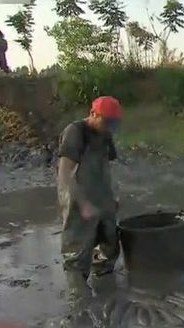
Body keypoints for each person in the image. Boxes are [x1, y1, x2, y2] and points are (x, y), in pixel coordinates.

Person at [57, 96, 122, 296]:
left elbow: (107, 164)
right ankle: (78, 296)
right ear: (93, 114)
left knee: (110, 241)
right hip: (77, 195)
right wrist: (83, 204)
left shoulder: (105, 133)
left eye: (114, 123)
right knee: (77, 252)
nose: (110, 127)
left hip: (100, 193)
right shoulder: (75, 132)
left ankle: (103, 279)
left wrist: (113, 195)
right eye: (107, 121)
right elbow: (65, 173)